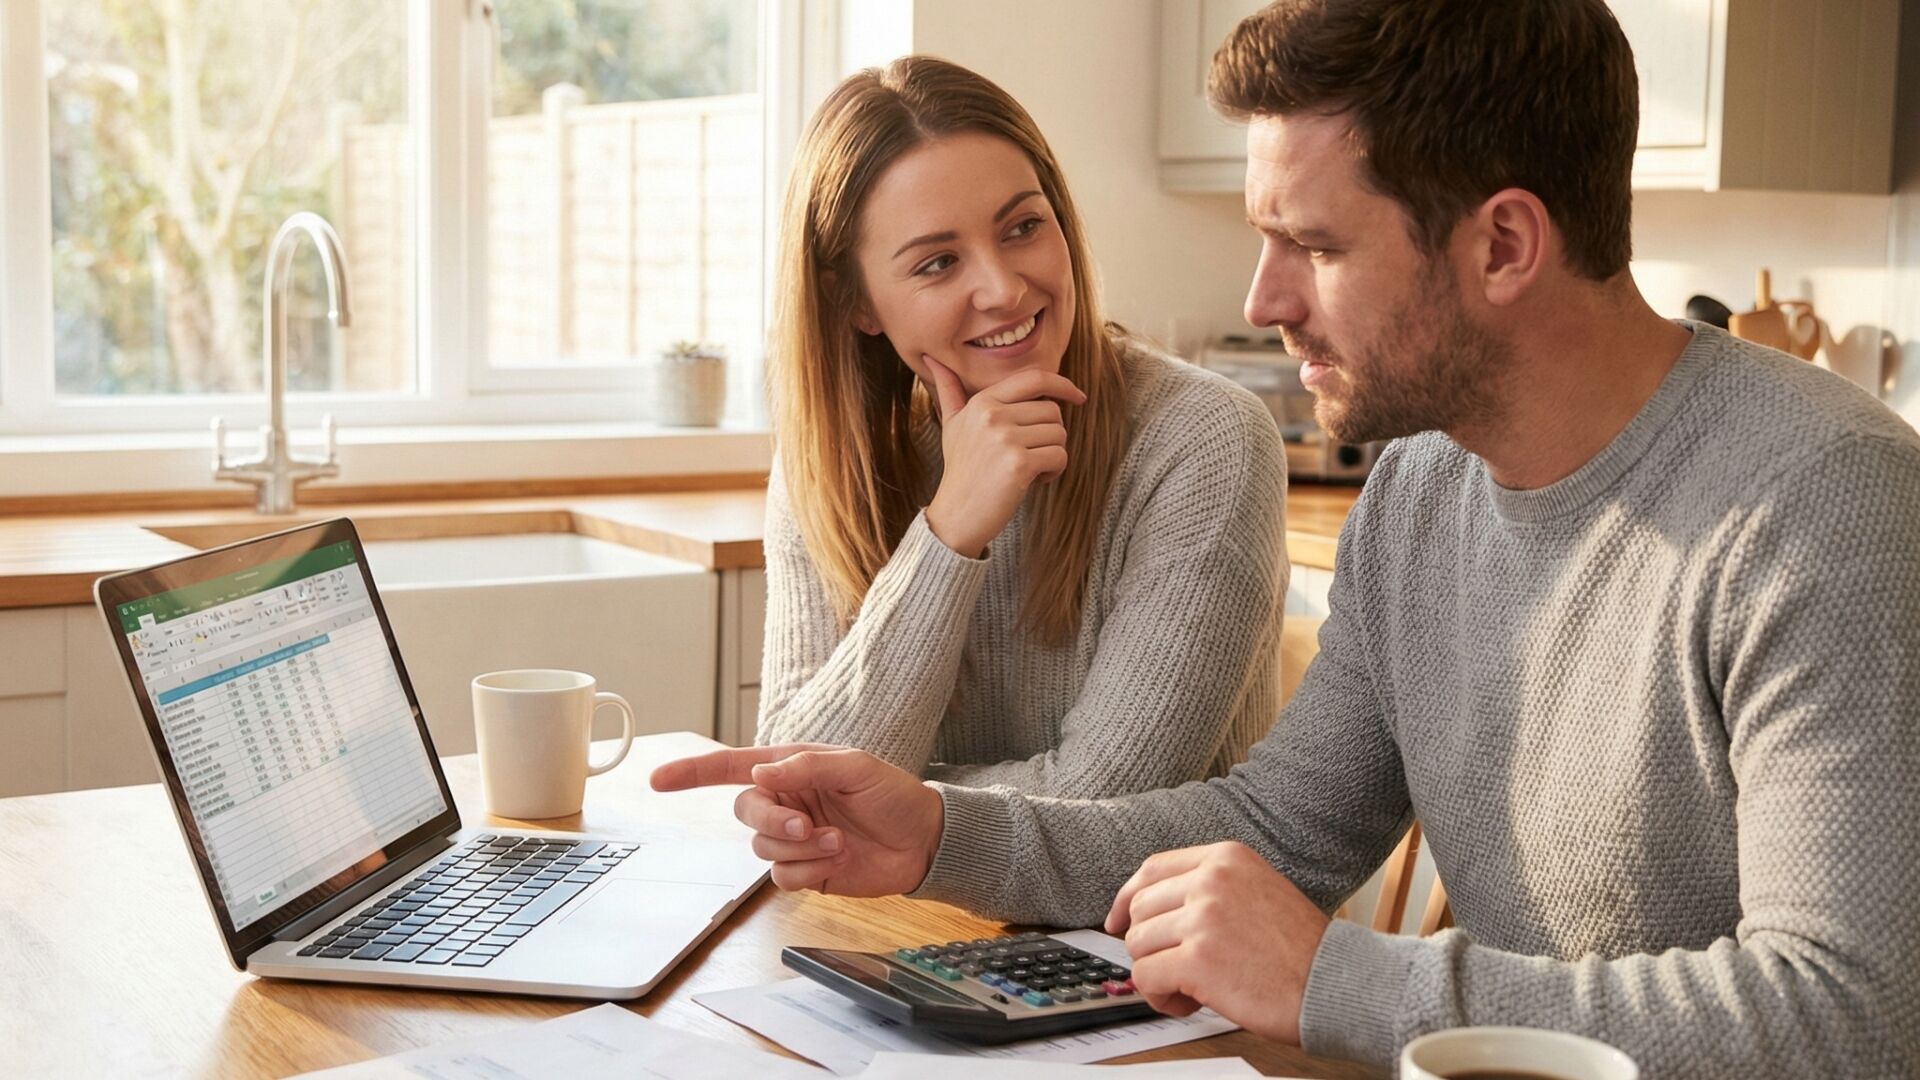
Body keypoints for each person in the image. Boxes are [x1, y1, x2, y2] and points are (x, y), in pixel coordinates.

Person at [654, 2, 1920, 1075]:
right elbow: (1280, 824)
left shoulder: (1825, 503)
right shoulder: (1423, 489)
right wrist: (939, 833)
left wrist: (1340, 980)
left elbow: (1850, 1009)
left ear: (1506, 245)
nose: (1264, 303)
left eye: (1313, 244)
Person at [750, 56, 1289, 798]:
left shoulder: (1203, 438)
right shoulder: (831, 462)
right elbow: (796, 786)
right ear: (857, 304)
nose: (1004, 289)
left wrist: (886, 802)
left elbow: (1108, 803)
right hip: (891, 915)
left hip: (1130, 918)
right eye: (938, 262)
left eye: (1023, 227)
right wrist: (948, 534)